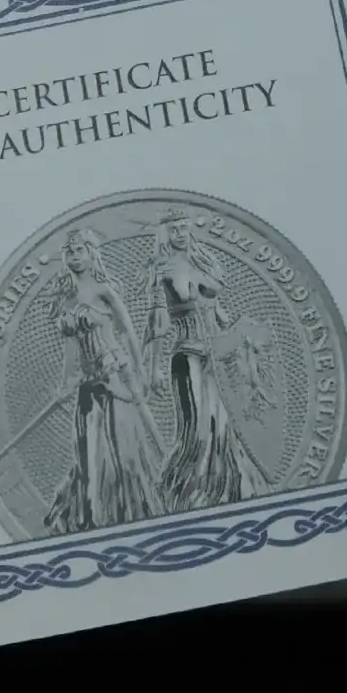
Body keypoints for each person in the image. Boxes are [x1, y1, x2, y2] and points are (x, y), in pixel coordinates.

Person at [143, 212, 269, 512]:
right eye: (173, 229)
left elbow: (219, 312)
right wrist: (154, 367)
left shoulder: (204, 263)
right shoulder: (163, 269)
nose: (180, 233)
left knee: (223, 424)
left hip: (216, 356)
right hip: (188, 356)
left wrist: (241, 342)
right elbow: (159, 322)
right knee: (199, 428)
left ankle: (229, 490)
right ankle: (191, 493)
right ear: (165, 234)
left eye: (183, 227)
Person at [44, 229, 164, 535]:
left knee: (120, 446)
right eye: (69, 252)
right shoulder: (66, 298)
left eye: (79, 251)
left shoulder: (103, 290)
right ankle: (92, 514)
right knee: (87, 448)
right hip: (88, 381)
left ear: (91, 253)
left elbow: (128, 332)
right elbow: (71, 348)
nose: (74, 257)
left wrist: (140, 371)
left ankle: (130, 511)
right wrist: (65, 385)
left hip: (115, 374)